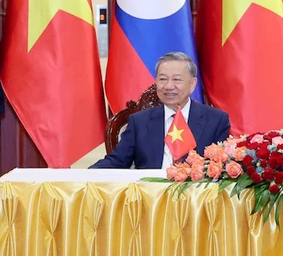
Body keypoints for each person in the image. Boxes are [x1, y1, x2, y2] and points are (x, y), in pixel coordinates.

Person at [92, 52, 230, 169]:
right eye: (163, 79)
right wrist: (80, 176)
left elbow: (222, 167)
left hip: (195, 198)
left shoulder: (216, 120)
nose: (169, 86)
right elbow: (116, 161)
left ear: (192, 84)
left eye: (177, 79)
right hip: (150, 196)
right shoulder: (139, 121)